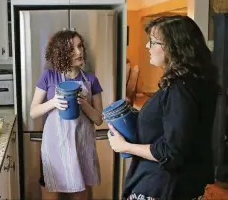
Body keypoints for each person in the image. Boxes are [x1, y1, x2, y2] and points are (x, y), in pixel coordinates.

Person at [108, 15, 219, 200]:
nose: (147, 47)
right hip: (180, 186)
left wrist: (125, 146)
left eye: (152, 42)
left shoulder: (180, 89)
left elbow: (171, 152)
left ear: (173, 47)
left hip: (164, 188)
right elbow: (176, 128)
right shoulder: (194, 84)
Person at [30, 29, 103, 200]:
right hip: (55, 148)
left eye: (80, 46)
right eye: (72, 49)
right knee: (51, 192)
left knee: (81, 193)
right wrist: (53, 102)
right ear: (61, 53)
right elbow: (33, 112)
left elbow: (99, 119)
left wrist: (84, 104)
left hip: (81, 147)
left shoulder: (91, 80)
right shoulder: (48, 77)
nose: (79, 52)